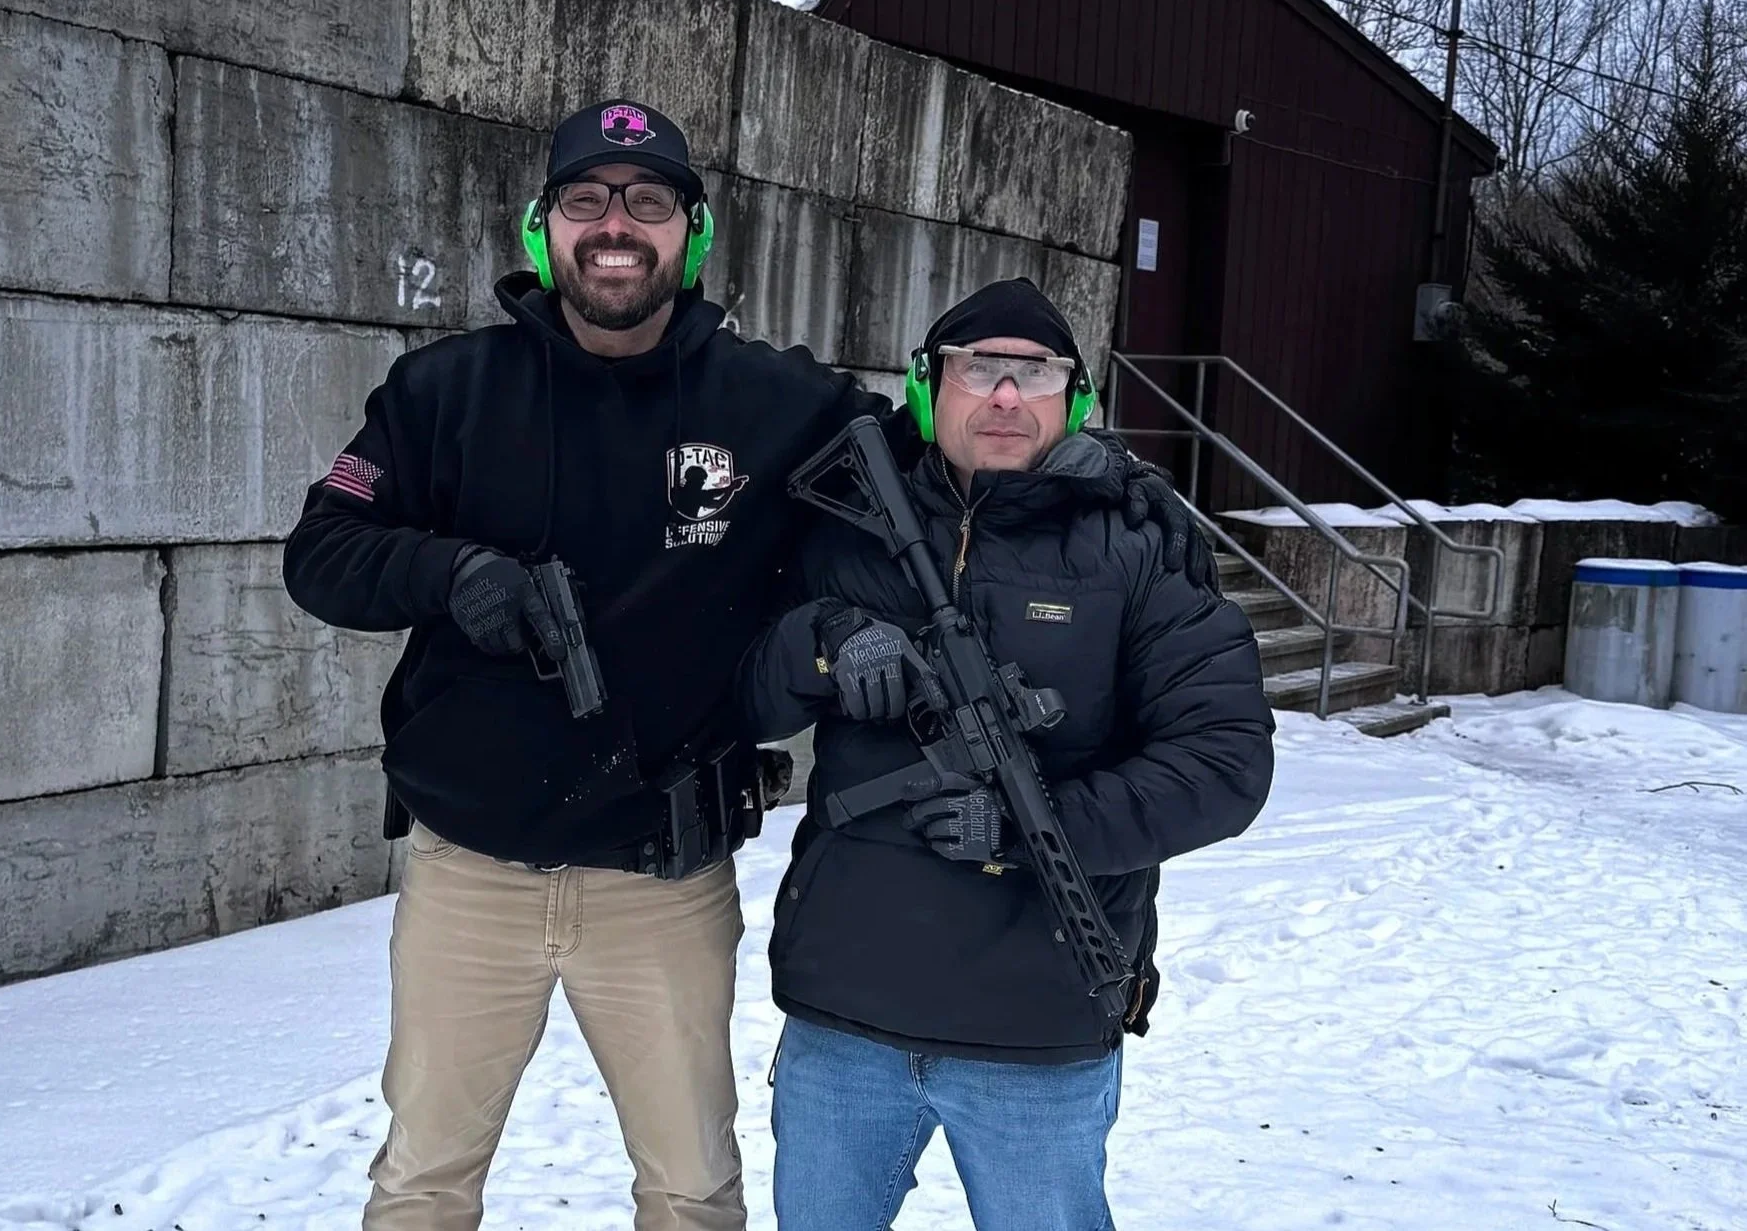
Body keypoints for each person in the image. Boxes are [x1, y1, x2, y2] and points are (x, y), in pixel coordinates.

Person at [283, 97, 1213, 1231]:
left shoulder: (777, 403)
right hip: (467, 871)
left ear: (693, 233)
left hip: (662, 882)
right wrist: (448, 572)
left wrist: (1109, 481)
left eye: (648, 202)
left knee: (691, 1191)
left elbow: (960, 432)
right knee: (422, 1183)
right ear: (542, 226)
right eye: (585, 199)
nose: (615, 225)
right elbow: (321, 554)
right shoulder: (443, 391)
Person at [740, 279, 1276, 1231]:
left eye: (1033, 374)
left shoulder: (1137, 546)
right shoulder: (840, 521)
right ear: (926, 385)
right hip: (843, 1011)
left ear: (1073, 397)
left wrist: (1036, 829)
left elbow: (1223, 762)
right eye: (976, 368)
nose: (1002, 395)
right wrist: (822, 641)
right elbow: (738, 695)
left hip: (1039, 1023)